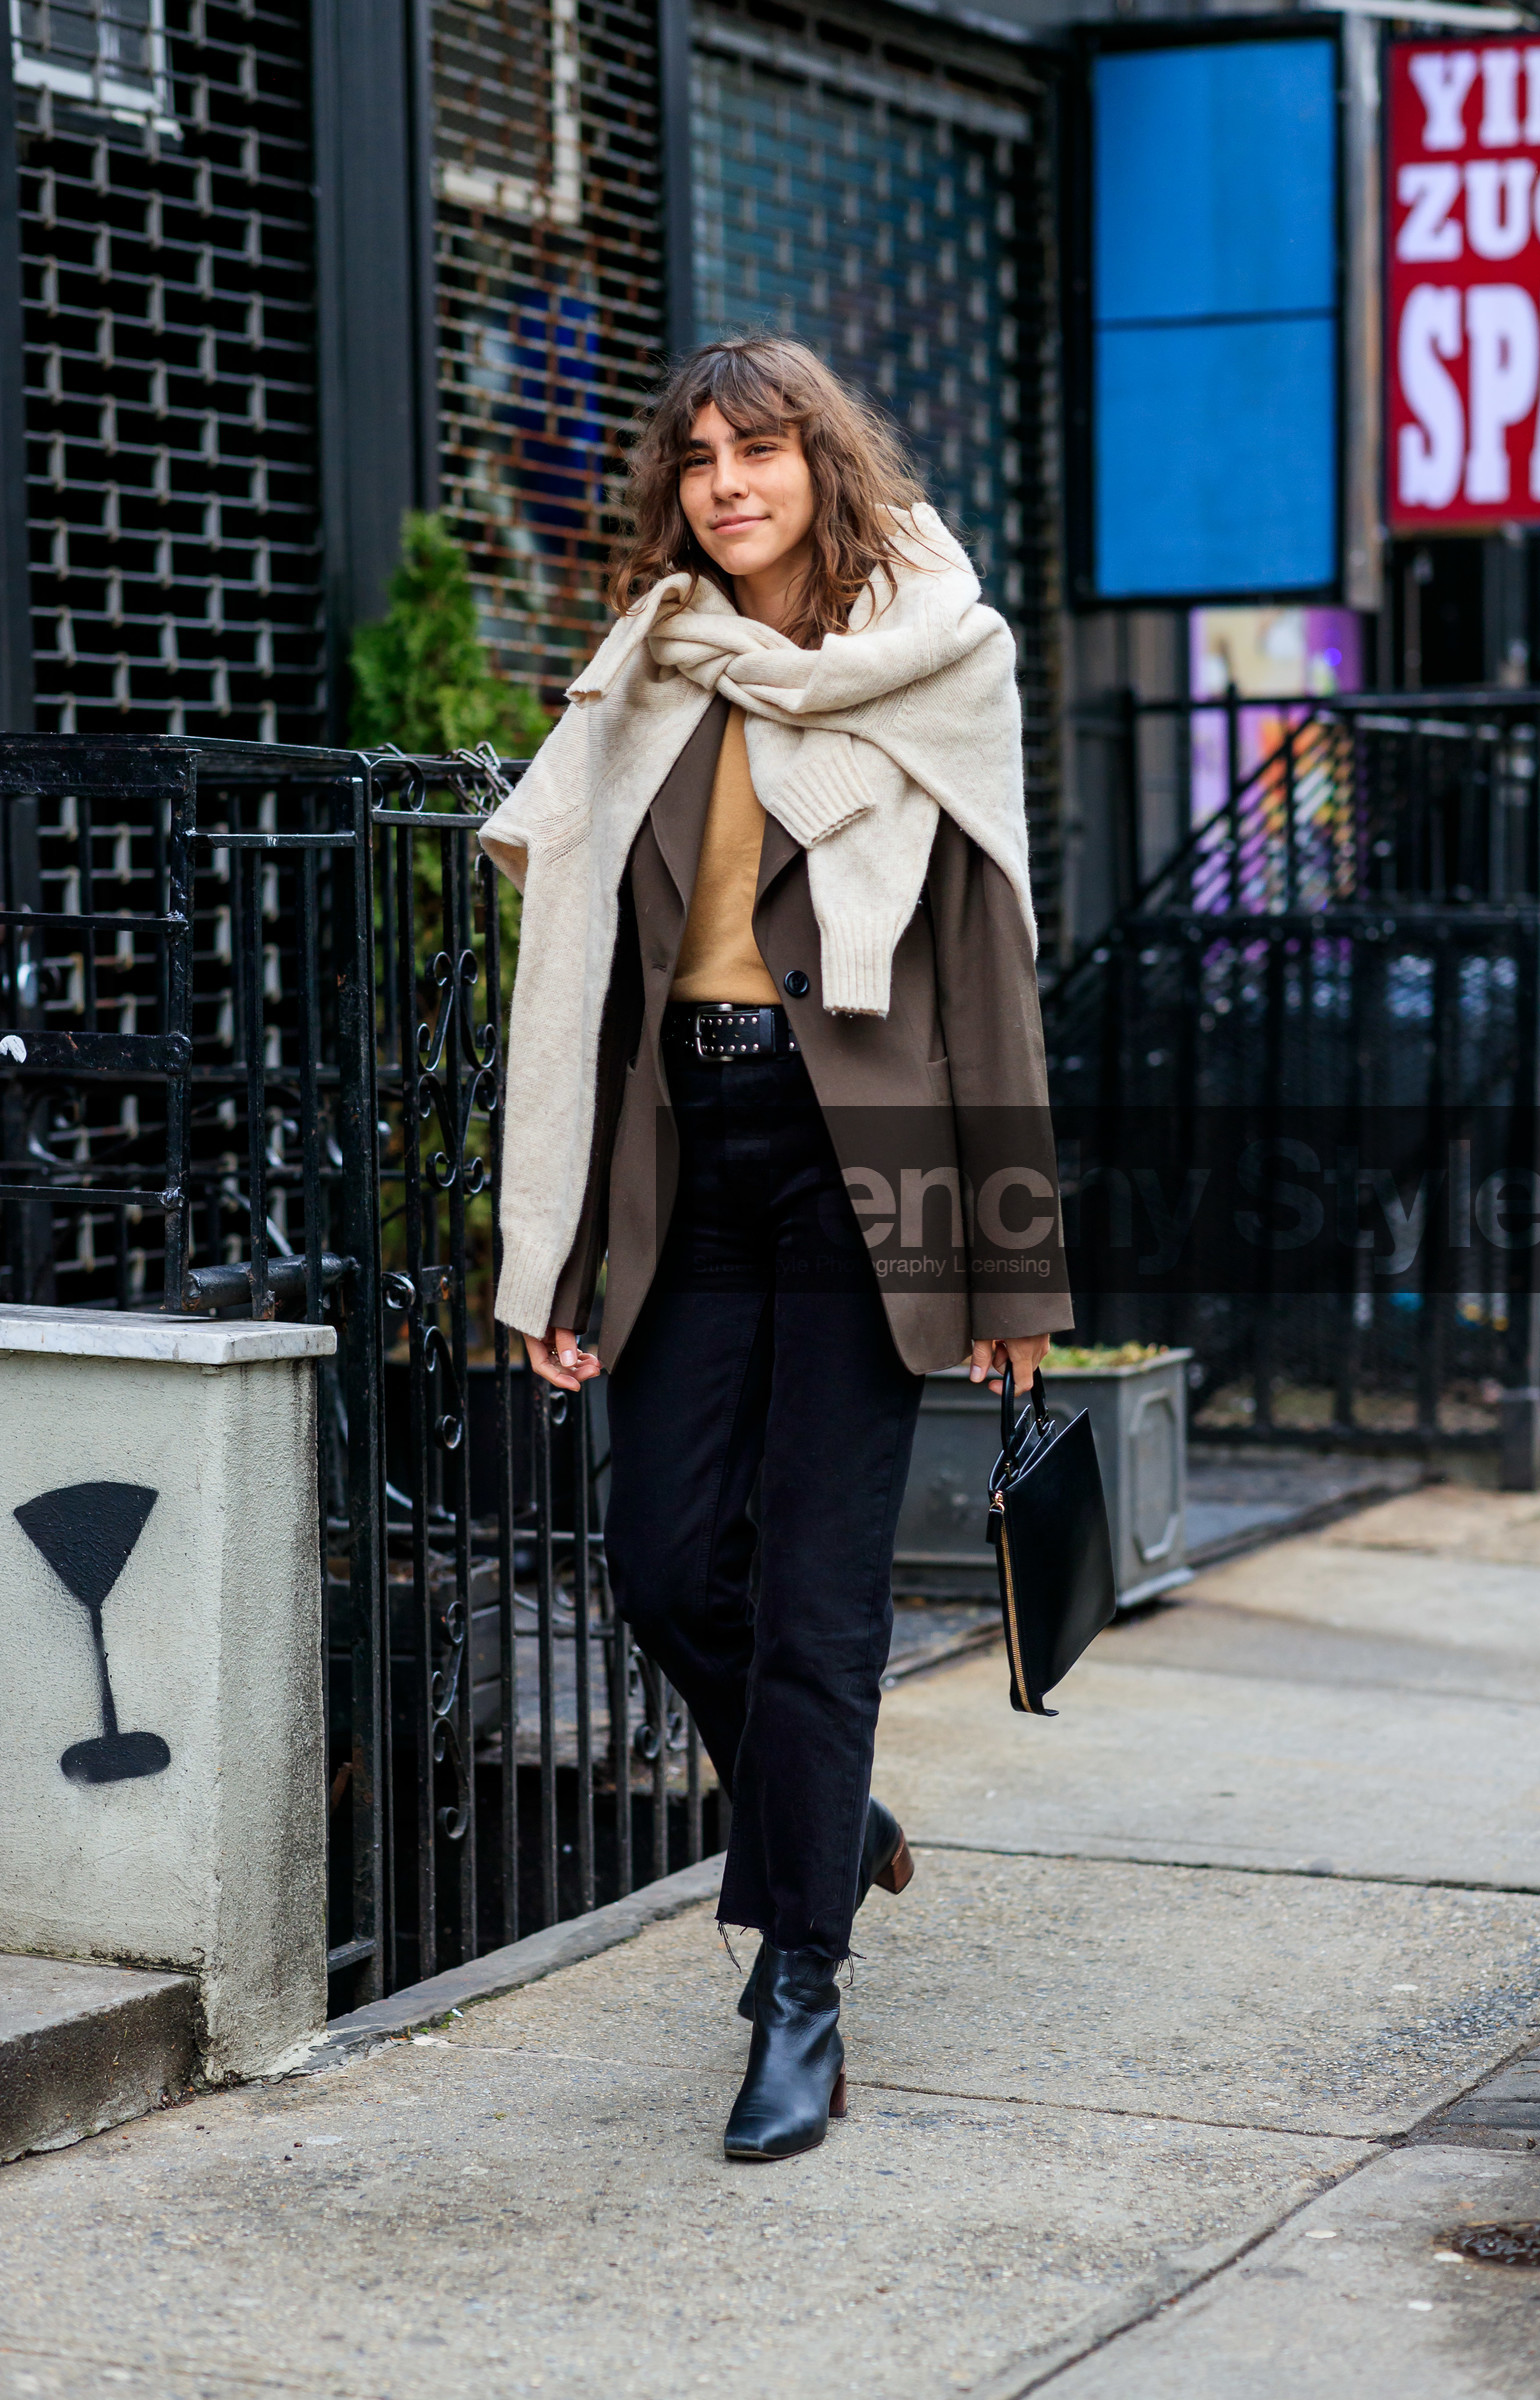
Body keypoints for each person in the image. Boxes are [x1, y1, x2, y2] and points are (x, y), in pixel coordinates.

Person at [480, 335, 1069, 2161]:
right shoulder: (648, 671)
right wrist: (557, 1257)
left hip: (863, 1173)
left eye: (764, 452)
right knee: (661, 1568)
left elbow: (982, 981)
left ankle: (796, 1980)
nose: (729, 483)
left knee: (820, 1601)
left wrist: (1011, 1273)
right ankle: (836, 1815)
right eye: (702, 460)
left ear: (826, 464)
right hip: (687, 1161)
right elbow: (583, 982)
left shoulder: (940, 661)